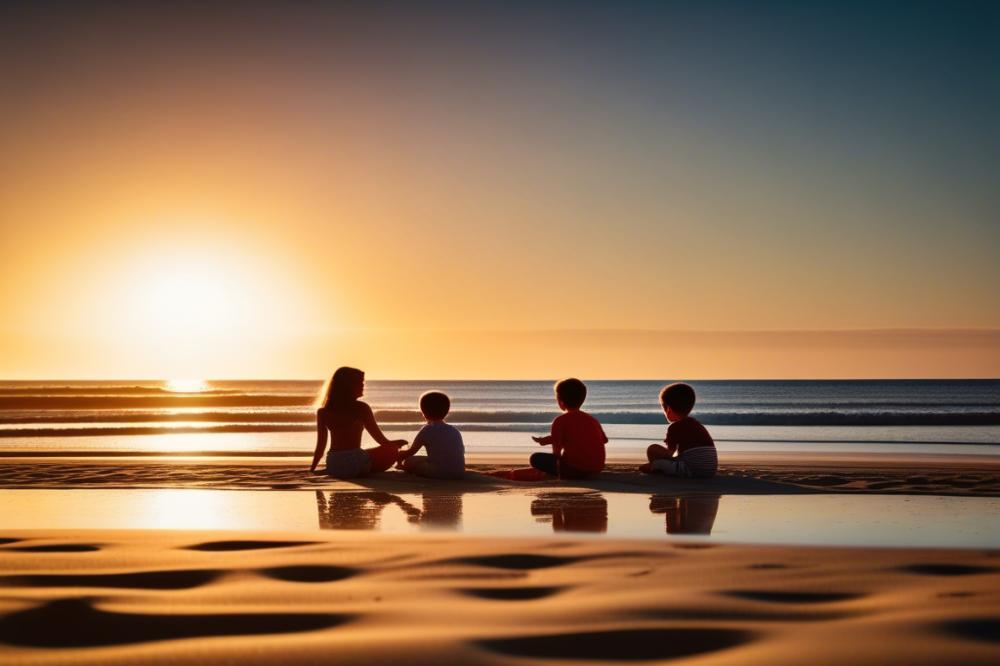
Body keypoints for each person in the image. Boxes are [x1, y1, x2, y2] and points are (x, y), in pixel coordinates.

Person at [310, 366, 407, 478]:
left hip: (333, 463)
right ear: (348, 386)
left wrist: (312, 469)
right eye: (360, 383)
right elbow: (381, 440)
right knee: (391, 450)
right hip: (355, 462)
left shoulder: (323, 411)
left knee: (363, 453)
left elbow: (320, 447)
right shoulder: (361, 408)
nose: (363, 386)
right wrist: (395, 444)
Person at [529, 378, 608, 479]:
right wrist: (549, 439)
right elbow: (603, 440)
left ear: (560, 400)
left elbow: (556, 453)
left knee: (535, 458)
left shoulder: (560, 420)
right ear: (582, 399)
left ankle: (555, 475)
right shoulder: (592, 420)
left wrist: (554, 440)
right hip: (596, 468)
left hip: (573, 470)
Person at [639, 382, 717, 478]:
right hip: (710, 471)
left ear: (668, 410)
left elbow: (670, 453)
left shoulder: (674, 427)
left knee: (652, 451)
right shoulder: (697, 424)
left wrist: (658, 454)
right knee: (665, 461)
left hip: (691, 470)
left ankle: (658, 472)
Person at [396, 391, 466, 480]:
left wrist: (399, 456)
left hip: (439, 473)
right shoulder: (454, 430)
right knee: (430, 459)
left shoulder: (427, 430)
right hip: (459, 472)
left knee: (409, 461)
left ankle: (404, 467)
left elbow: (411, 452)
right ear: (446, 412)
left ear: (423, 413)